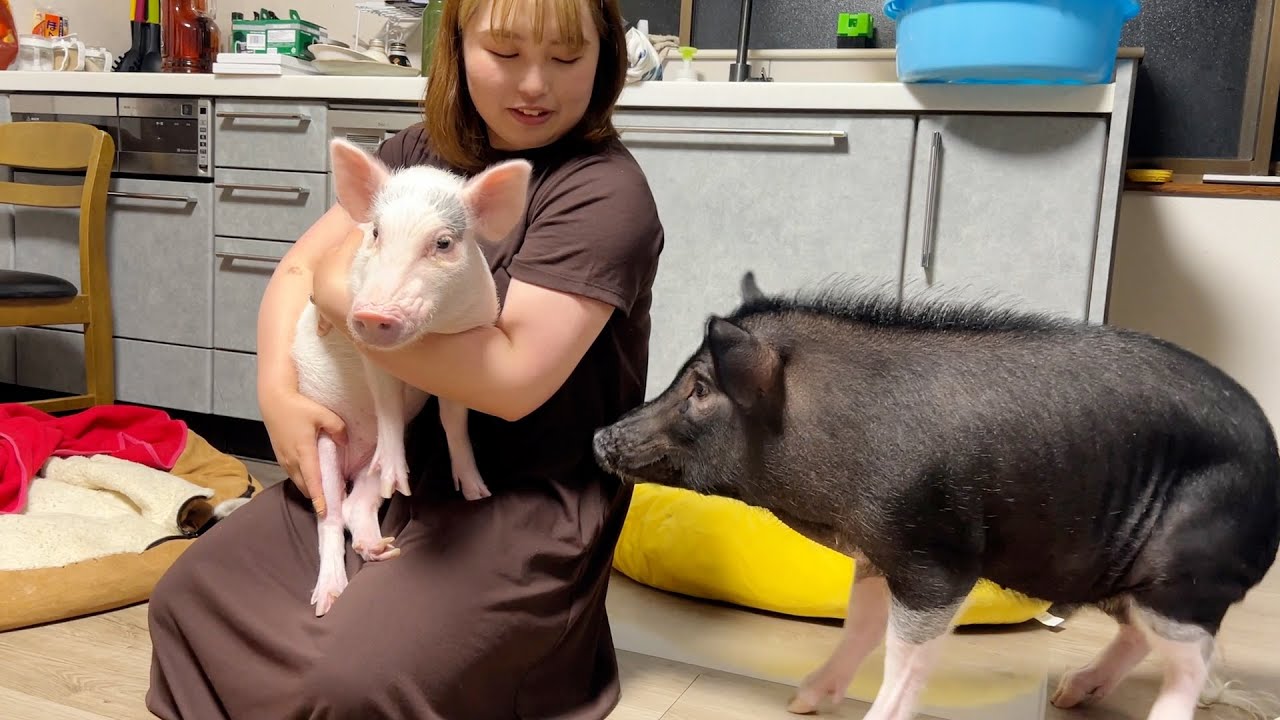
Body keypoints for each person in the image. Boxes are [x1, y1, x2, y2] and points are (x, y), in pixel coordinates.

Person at [143, 0, 665, 716]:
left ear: (606, 59)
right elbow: (295, 275)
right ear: (455, 45)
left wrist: (341, 293)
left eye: (567, 59)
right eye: (506, 54)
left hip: (519, 500)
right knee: (186, 600)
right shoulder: (417, 152)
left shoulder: (603, 193)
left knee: (355, 681)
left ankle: (540, 656)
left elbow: (508, 382)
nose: (534, 84)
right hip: (386, 466)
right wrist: (277, 395)